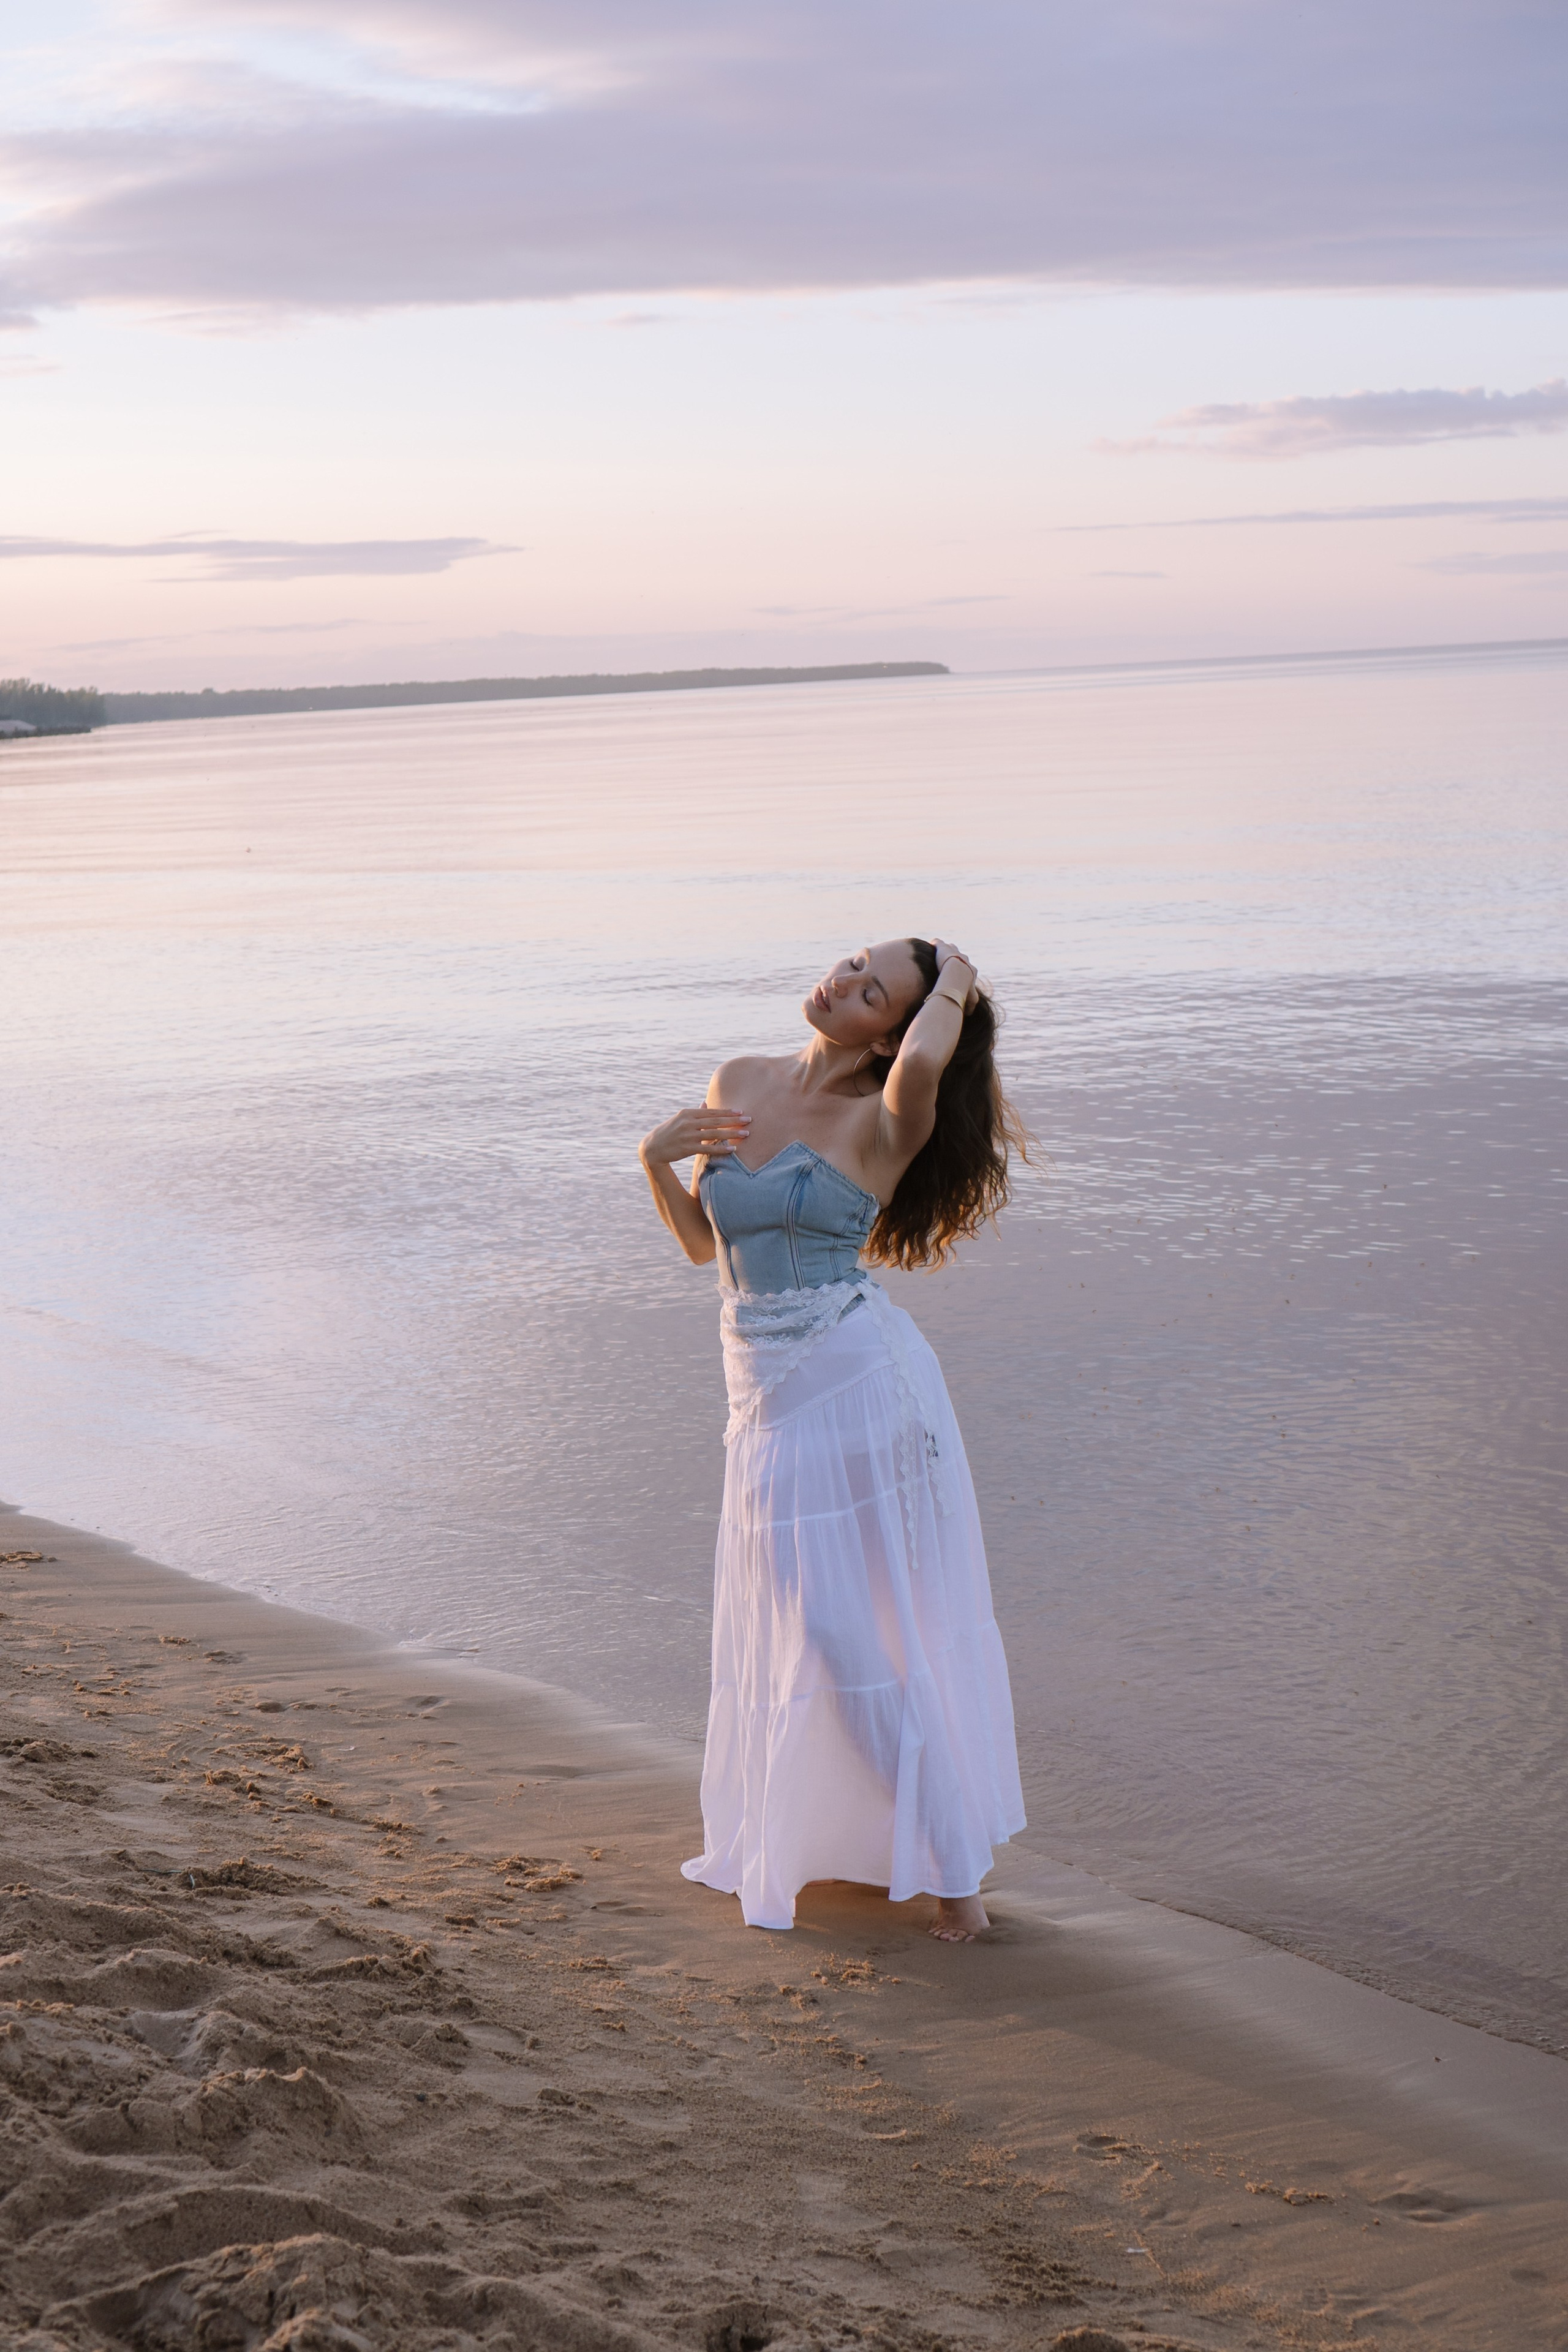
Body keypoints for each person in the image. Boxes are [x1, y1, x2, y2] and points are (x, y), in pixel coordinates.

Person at [639, 937, 1027, 1942]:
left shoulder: (887, 1116)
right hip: (760, 1391)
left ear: (894, 1032)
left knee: (852, 1631)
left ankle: (956, 1881)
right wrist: (654, 1160)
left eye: (871, 993)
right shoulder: (740, 1082)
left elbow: (933, 1057)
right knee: (823, 1628)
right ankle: (897, 1850)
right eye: (850, 964)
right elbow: (706, 1247)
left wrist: (957, 974)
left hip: (856, 1387)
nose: (839, 984)